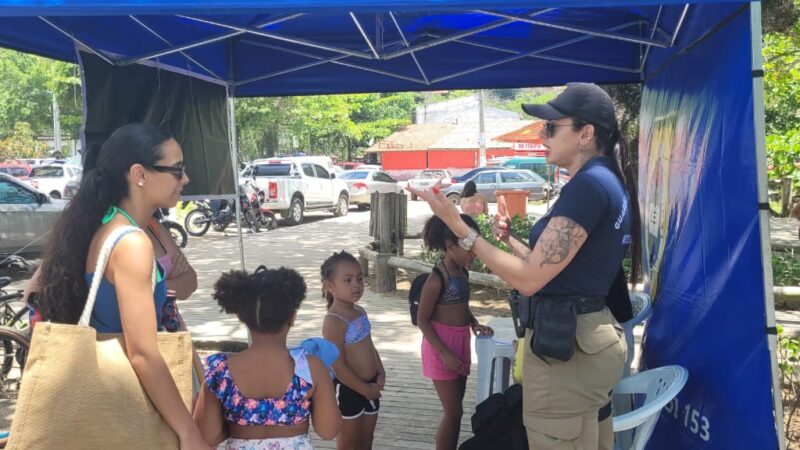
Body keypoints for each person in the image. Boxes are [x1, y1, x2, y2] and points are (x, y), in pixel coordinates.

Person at [408, 82, 640, 450]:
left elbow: (530, 279)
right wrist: (509, 241)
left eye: (551, 127)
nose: (541, 134)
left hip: (569, 351)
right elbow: (556, 265)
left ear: (586, 134)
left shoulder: (589, 186)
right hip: (587, 340)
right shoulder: (607, 180)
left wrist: (458, 226)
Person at [36, 123, 209, 449]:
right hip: (129, 399)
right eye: (177, 170)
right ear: (140, 174)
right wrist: (188, 432)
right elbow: (143, 353)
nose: (184, 179)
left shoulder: (106, 224)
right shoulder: (132, 243)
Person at [193, 266, 340, 449]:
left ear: (240, 316)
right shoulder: (311, 368)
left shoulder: (221, 371)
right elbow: (328, 431)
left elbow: (205, 436)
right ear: (292, 317)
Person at [417, 214, 493, 450]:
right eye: (470, 248)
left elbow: (460, 306)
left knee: (456, 411)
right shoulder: (437, 278)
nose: (474, 253)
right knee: (453, 411)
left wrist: (474, 323)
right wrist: (444, 352)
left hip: (460, 342)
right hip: (441, 347)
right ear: (450, 247)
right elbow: (422, 320)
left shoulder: (462, 273)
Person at [321, 251, 385, 450]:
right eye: (347, 280)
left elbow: (370, 346)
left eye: (359, 279)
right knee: (349, 444)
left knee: (367, 440)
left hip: (370, 385)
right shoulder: (334, 321)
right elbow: (338, 367)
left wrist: (380, 372)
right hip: (348, 389)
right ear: (330, 286)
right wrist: (364, 389)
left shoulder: (360, 312)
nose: (356, 285)